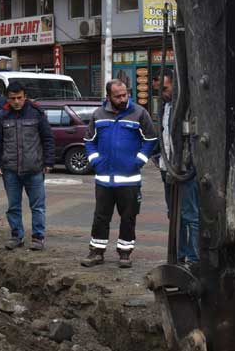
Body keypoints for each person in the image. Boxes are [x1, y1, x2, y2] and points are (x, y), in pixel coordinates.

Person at [81, 79, 158, 268]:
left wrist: (138, 161)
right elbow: (89, 140)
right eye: (118, 96)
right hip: (104, 179)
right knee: (100, 217)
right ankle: (96, 252)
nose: (123, 99)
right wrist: (95, 161)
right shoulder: (98, 115)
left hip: (129, 179)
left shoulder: (139, 113)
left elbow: (151, 139)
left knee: (128, 217)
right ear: (109, 96)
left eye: (125, 94)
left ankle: (125, 253)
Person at [0, 81, 55, 251]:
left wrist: (48, 162)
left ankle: (38, 237)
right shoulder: (2, 116)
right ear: (8, 99)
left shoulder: (37, 114)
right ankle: (16, 236)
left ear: (25, 96)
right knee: (13, 206)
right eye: (13, 98)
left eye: (19, 98)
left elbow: (48, 138)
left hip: (34, 169)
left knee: (38, 206)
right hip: (10, 170)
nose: (16, 101)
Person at [158, 72, 199, 265]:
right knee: (174, 214)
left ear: (175, 85)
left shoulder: (185, 108)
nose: (162, 93)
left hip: (184, 168)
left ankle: (194, 256)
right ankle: (181, 253)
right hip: (167, 167)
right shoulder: (166, 106)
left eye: (165, 88)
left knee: (190, 214)